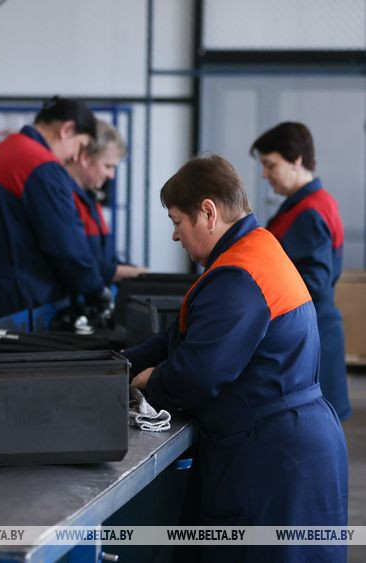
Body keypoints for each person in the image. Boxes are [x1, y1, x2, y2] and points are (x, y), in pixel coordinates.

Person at [127, 155, 347, 563]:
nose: (175, 236)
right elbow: (180, 338)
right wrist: (120, 363)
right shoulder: (254, 250)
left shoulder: (238, 275)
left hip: (271, 457)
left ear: (208, 212)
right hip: (289, 444)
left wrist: (148, 381)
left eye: (177, 221)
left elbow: (198, 374)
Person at [0, 97, 108, 333]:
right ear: (67, 130)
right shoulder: (42, 166)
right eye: (80, 146)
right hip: (14, 305)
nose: (75, 157)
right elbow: (66, 245)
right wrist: (95, 291)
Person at [250, 121, 350, 420]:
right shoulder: (304, 205)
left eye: (270, 165)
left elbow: (315, 282)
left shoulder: (309, 212)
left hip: (311, 333)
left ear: (295, 160)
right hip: (311, 329)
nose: (265, 174)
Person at [65, 119, 146, 285]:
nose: (112, 175)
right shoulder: (63, 200)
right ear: (86, 158)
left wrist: (139, 273)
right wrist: (132, 273)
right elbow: (75, 265)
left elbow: (106, 260)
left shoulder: (91, 200)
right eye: (108, 166)